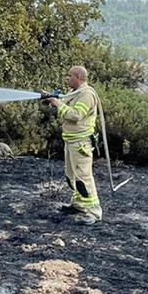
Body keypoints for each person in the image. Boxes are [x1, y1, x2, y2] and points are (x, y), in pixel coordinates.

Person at [44, 65, 101, 224]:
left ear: (79, 77)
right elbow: (65, 106)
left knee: (83, 177)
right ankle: (78, 205)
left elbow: (76, 115)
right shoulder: (75, 93)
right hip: (71, 141)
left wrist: (58, 104)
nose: (67, 79)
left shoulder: (87, 95)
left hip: (81, 143)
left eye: (70, 76)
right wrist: (51, 99)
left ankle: (94, 212)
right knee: (72, 176)